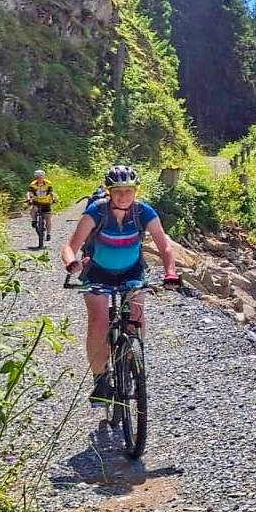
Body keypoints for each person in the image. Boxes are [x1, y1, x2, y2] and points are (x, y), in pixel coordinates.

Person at [60, 165, 180, 406]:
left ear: (136, 191)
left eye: (129, 191)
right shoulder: (97, 211)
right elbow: (70, 246)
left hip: (132, 271)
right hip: (97, 273)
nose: (123, 196)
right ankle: (101, 379)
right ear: (109, 192)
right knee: (98, 321)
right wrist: (72, 262)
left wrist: (170, 272)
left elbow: (164, 245)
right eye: (117, 191)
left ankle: (133, 358)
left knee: (137, 316)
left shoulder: (143, 212)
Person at [27, 169, 57, 240]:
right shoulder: (33, 184)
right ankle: (34, 220)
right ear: (35, 177)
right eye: (37, 177)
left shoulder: (48, 183)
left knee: (48, 218)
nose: (39, 178)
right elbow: (29, 193)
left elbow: (51, 192)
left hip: (46, 202)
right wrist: (29, 198)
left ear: (43, 177)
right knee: (33, 209)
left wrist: (54, 198)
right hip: (37, 201)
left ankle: (48, 234)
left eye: (41, 176)